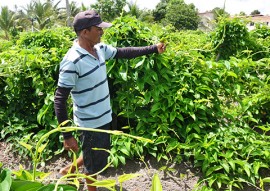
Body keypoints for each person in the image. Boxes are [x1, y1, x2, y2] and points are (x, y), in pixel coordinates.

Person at [54, 9, 166, 191]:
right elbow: (59, 100)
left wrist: (153, 48)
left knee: (96, 152)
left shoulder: (99, 49)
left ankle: (70, 169)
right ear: (84, 32)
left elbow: (124, 52)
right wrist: (67, 135)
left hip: (104, 116)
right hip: (88, 123)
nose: (102, 32)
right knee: (92, 166)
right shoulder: (72, 61)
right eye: (98, 28)